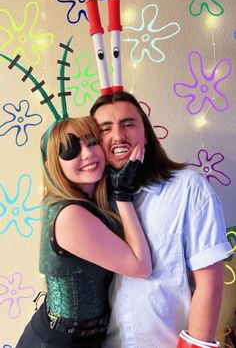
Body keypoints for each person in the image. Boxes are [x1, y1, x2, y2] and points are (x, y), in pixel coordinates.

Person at [90, 90, 232, 348]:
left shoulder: (189, 188)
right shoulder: (92, 202)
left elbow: (209, 286)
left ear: (146, 133)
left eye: (128, 124)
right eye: (105, 129)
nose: (118, 136)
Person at [16, 116, 152, 348]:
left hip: (81, 338)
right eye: (70, 149)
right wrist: (123, 196)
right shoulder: (71, 216)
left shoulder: (87, 203)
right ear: (53, 164)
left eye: (91, 142)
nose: (88, 154)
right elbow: (141, 267)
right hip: (60, 342)